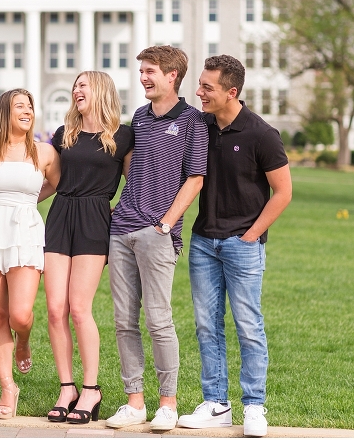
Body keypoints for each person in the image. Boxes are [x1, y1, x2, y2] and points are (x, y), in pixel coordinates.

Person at [177, 54, 292, 437]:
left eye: (207, 87)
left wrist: (250, 235)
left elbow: (283, 192)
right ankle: (216, 404)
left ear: (232, 91)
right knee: (207, 326)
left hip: (243, 244)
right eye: (200, 84)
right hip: (204, 242)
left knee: (248, 325)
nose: (199, 92)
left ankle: (255, 406)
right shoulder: (201, 126)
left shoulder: (262, 134)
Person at [105, 45, 208, 432]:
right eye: (142, 71)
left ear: (172, 76)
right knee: (123, 320)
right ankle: (134, 402)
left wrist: (164, 223)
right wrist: (128, 202)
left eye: (151, 71)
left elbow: (195, 178)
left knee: (159, 320)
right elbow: (135, 166)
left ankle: (167, 402)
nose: (144, 78)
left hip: (157, 234)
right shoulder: (140, 117)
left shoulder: (193, 122)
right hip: (121, 231)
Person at [43, 71, 134, 425]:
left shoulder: (122, 136)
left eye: (84, 85)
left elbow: (137, 182)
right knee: (55, 308)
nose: (77, 90)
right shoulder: (63, 136)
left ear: (101, 91)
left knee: (79, 308)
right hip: (60, 215)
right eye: (75, 86)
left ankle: (91, 389)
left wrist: (120, 210)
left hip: (95, 220)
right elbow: (48, 179)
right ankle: (67, 387)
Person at [0, 89, 60, 419]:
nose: (28, 111)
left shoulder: (44, 152)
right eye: (21, 106)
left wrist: (29, 202)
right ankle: (8, 388)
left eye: (31, 106)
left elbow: (56, 185)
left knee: (19, 315)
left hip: (26, 231)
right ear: (4, 112)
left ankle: (23, 340)